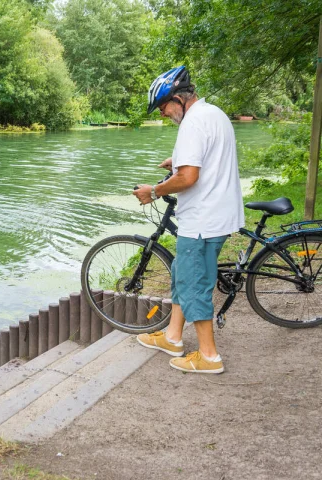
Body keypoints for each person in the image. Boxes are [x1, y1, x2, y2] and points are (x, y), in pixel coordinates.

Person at [132, 66, 244, 374]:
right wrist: (179, 159)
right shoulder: (213, 114)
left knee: (194, 283)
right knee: (183, 272)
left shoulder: (193, 123)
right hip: (217, 213)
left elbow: (188, 177)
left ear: (179, 98)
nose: (163, 113)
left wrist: (153, 191)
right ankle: (172, 337)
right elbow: (208, 157)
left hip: (203, 220)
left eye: (164, 106)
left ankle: (208, 356)